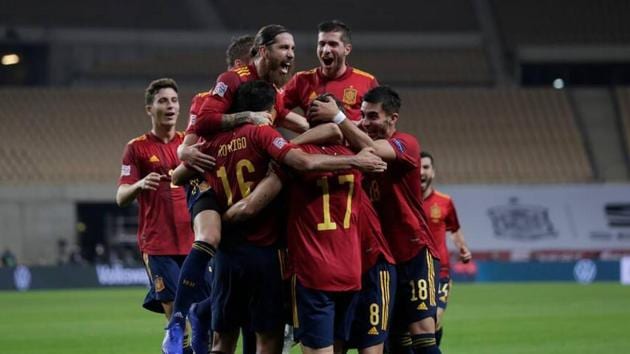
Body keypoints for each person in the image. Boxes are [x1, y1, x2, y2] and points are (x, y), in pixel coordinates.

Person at [172, 80, 386, 354]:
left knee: (222, 341)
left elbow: (177, 176)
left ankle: (184, 317)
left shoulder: (211, 142)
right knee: (269, 342)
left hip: (230, 257)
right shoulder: (266, 136)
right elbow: (318, 147)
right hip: (272, 255)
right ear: (271, 109)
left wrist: (216, 223)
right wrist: (352, 156)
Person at [164, 26, 306, 354]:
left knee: (232, 320)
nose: (290, 56)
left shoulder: (267, 91)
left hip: (228, 194)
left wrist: (329, 128)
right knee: (210, 237)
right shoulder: (230, 83)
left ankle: (197, 314)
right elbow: (192, 142)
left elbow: (286, 116)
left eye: (292, 49)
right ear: (258, 53)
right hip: (212, 183)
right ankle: (180, 317)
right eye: (283, 48)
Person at [309, 86, 442, 354]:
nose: (367, 123)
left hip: (413, 250)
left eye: (373, 117)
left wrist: (339, 118)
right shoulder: (356, 140)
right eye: (364, 117)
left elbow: (372, 149)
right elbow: (330, 132)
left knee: (423, 336)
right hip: (380, 258)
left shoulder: (406, 143)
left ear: (393, 118)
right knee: (396, 342)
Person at [115, 78, 194, 353]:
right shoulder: (136, 148)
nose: (170, 106)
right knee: (174, 309)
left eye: (174, 100)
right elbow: (121, 196)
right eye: (163, 101)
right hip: (158, 243)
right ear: (150, 108)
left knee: (200, 309)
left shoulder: (190, 143)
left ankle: (179, 346)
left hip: (195, 240)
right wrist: (138, 185)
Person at [420, 151, 471, 348]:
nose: (421, 172)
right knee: (414, 326)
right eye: (418, 168)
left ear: (433, 172)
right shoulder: (404, 200)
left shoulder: (444, 201)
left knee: (435, 319)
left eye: (425, 167)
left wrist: (462, 248)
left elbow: (454, 229)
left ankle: (434, 347)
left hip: (440, 272)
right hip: (413, 272)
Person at [283, 20, 378, 122]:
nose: (326, 50)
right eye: (322, 44)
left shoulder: (367, 81)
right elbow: (275, 108)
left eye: (333, 44)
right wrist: (303, 126)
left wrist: (341, 123)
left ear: (347, 49)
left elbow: (379, 120)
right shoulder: (301, 80)